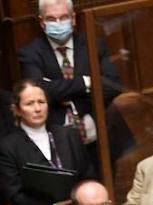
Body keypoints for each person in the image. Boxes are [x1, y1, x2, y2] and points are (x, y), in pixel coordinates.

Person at [18, 0, 132, 165]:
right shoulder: (29, 53)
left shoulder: (94, 44)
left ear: (73, 19)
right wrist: (87, 83)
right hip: (58, 143)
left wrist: (64, 96)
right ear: (42, 22)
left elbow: (113, 85)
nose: (58, 23)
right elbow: (39, 92)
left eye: (63, 17)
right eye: (51, 19)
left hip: (99, 136)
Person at [0, 80, 93, 205]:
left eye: (41, 102)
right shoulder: (7, 147)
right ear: (16, 109)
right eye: (29, 104)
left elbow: (87, 174)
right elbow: (14, 194)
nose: (37, 108)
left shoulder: (68, 135)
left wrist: (80, 204)